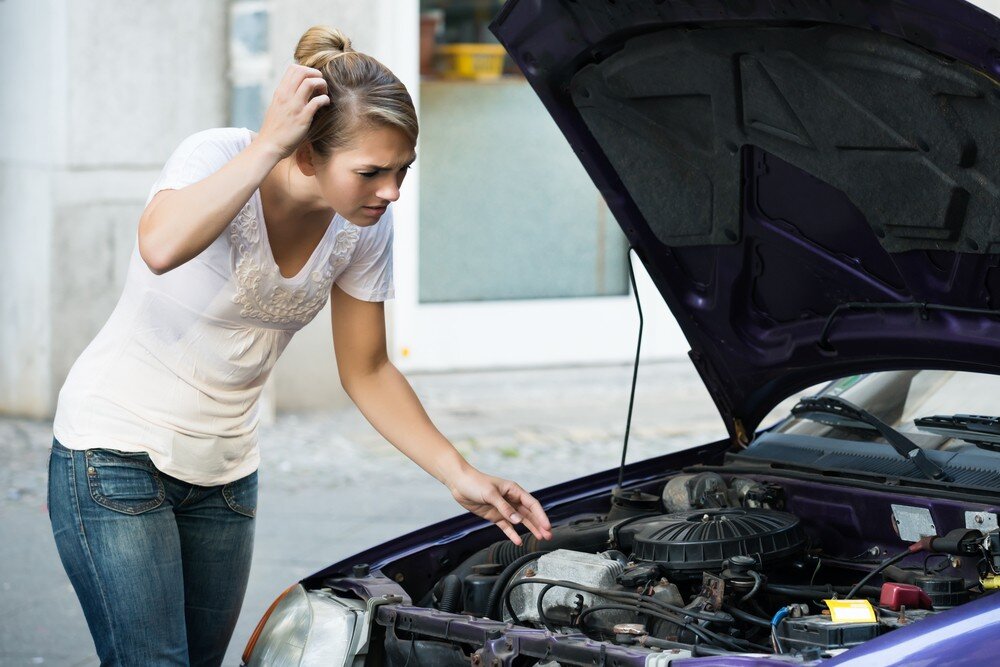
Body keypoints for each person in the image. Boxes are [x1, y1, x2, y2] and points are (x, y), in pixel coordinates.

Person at [46, 25, 552, 666]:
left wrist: (461, 475)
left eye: (401, 170)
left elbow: (367, 369)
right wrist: (265, 146)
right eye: (371, 171)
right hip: (112, 453)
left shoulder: (364, 226)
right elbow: (161, 247)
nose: (392, 191)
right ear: (307, 154)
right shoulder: (217, 155)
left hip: (225, 474)